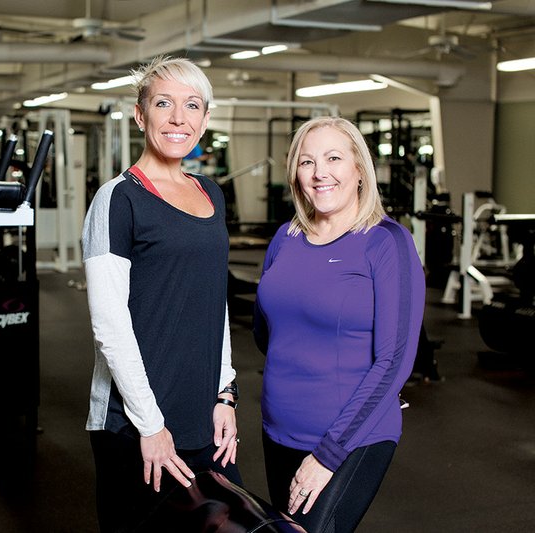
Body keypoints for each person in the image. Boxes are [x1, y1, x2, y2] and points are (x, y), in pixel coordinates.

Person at [82, 55, 240, 532]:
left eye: (192, 106)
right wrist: (150, 425)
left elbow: (217, 302)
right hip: (136, 423)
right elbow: (109, 324)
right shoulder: (118, 199)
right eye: (164, 103)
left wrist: (225, 392)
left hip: (203, 414)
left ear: (206, 119)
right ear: (140, 113)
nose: (178, 118)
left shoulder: (211, 193)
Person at [253, 116, 425, 533]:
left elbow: (395, 360)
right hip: (278, 428)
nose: (320, 173)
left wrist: (328, 455)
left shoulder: (386, 242)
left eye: (333, 158)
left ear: (359, 169)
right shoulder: (285, 238)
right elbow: (265, 331)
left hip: (350, 438)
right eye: (307, 161)